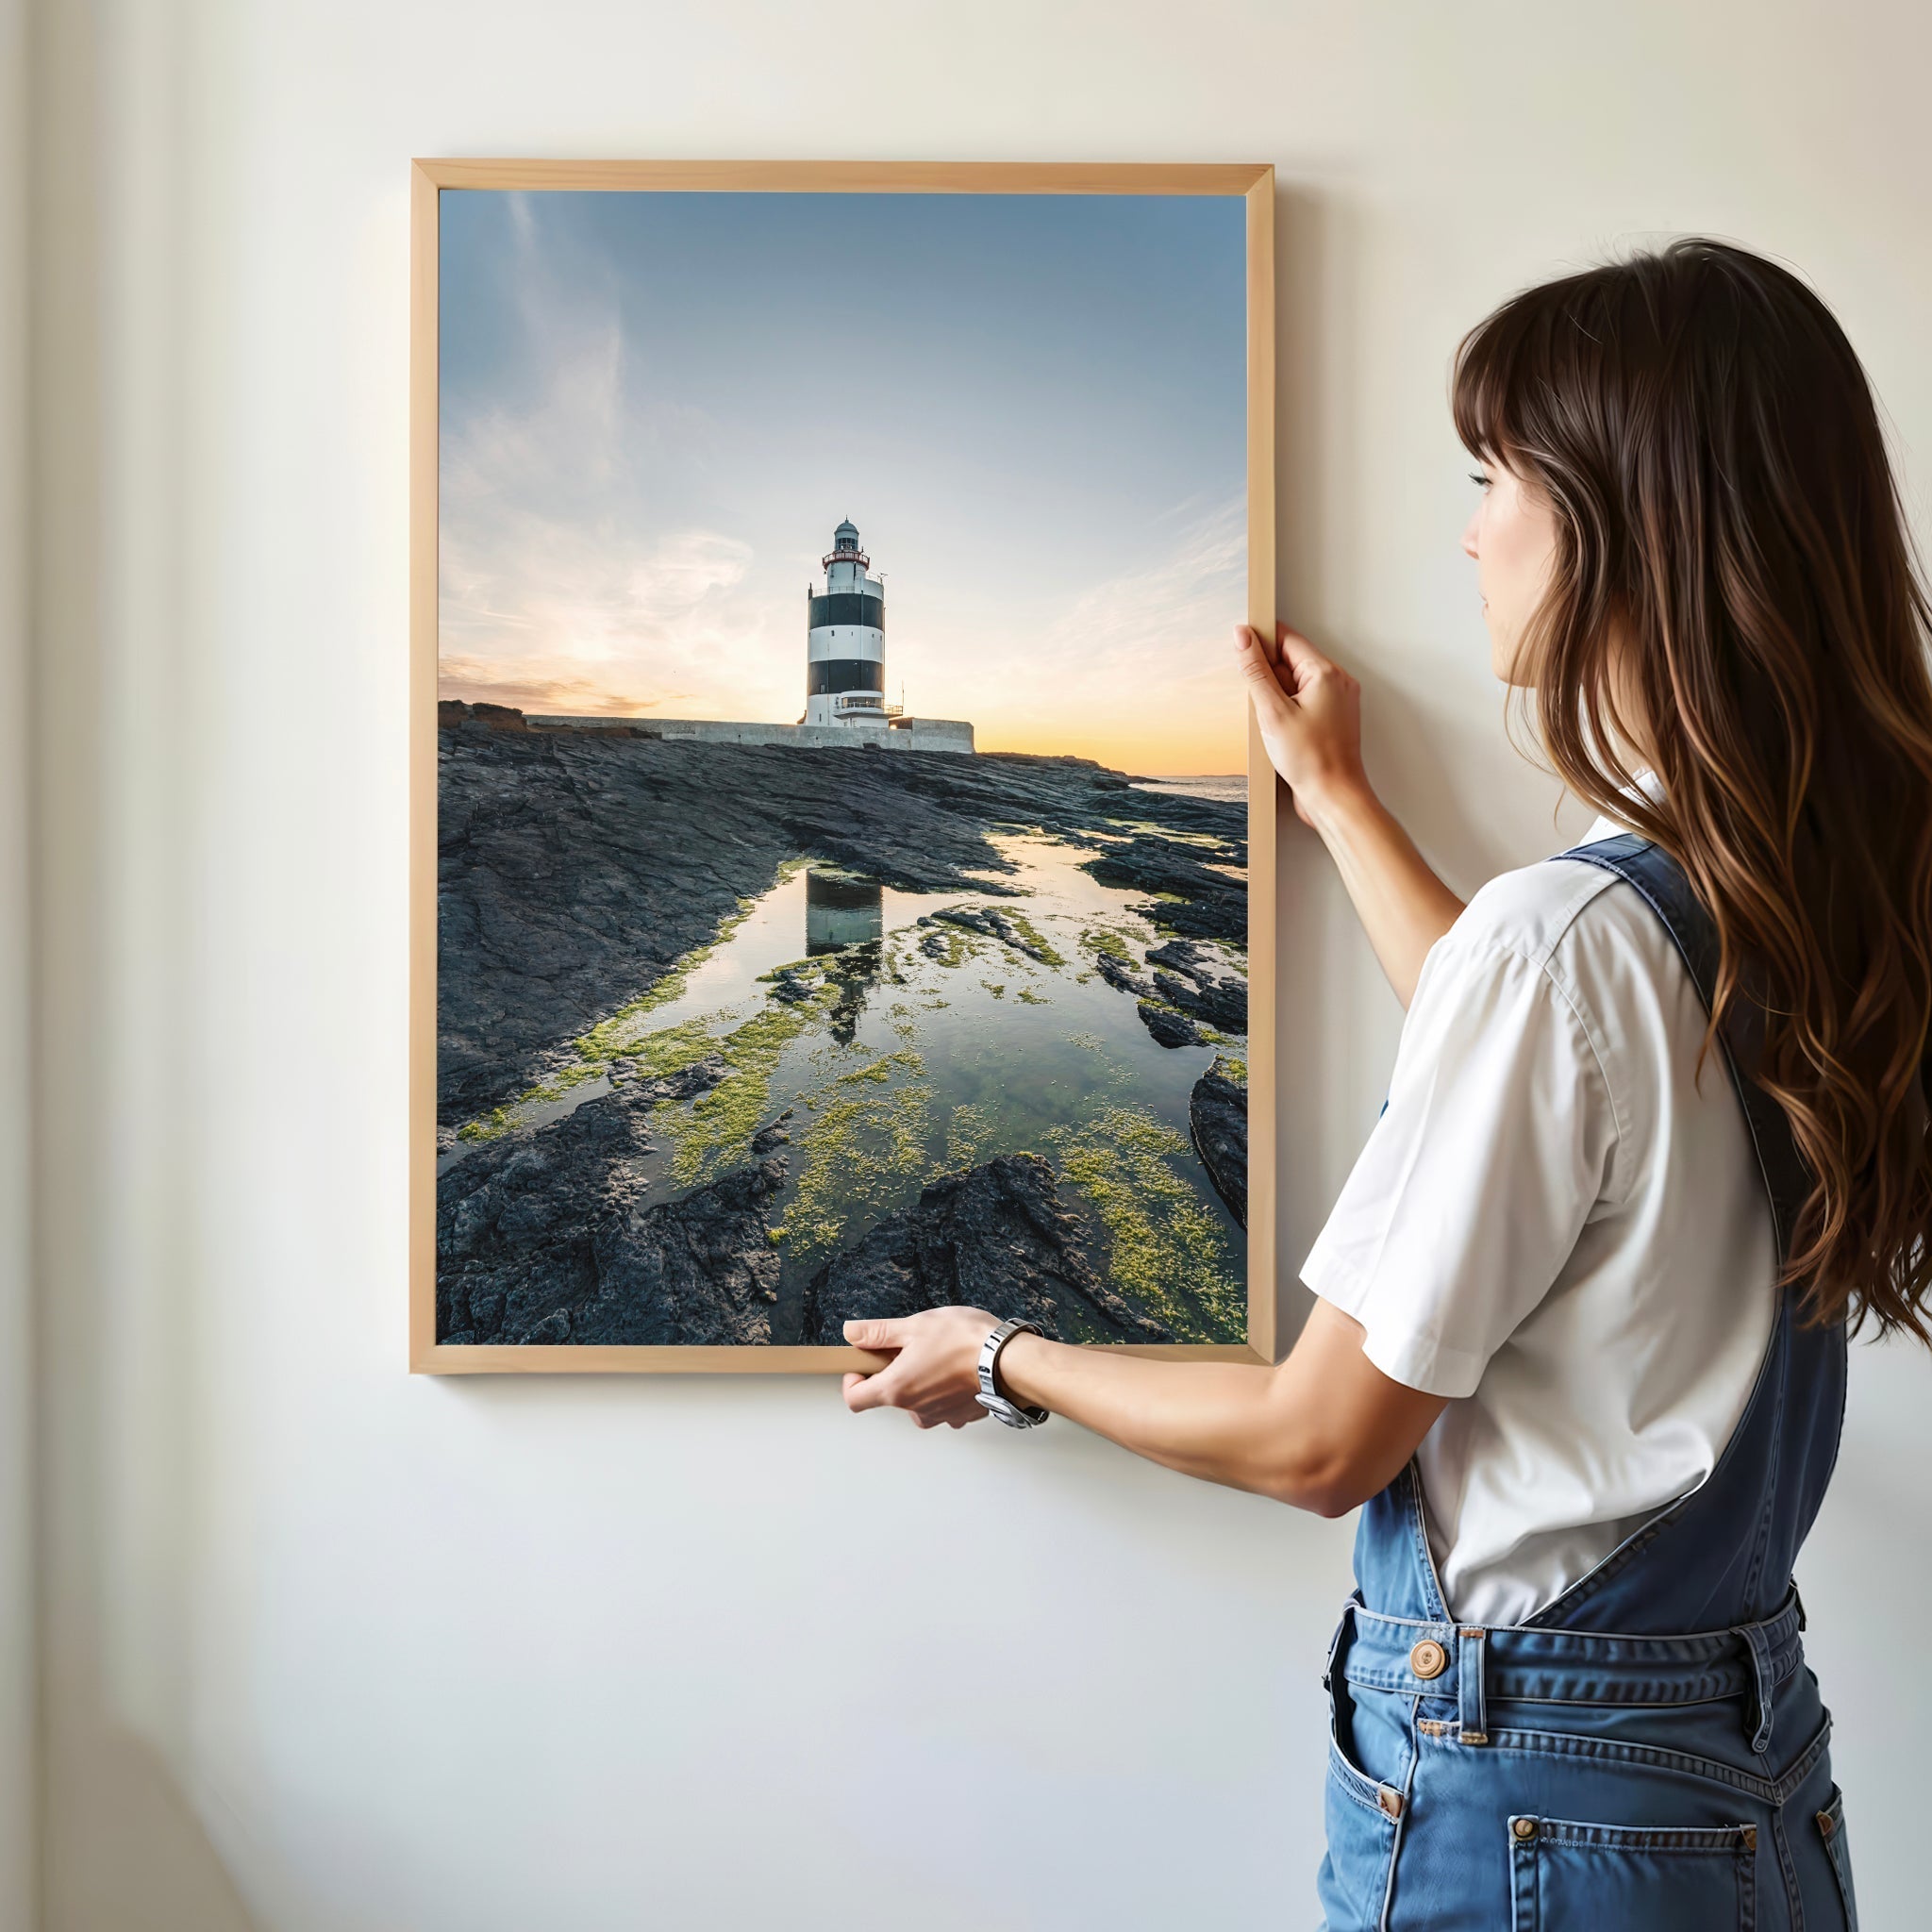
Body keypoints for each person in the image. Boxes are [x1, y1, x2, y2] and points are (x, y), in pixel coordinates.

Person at [839, 238, 1932, 1930]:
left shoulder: (1572, 939)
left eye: (1497, 476)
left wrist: (999, 1354)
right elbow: (1556, 1091)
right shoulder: (1792, 895)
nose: (1472, 526)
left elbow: (1318, 1438)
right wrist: (1340, 801)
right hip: (1740, 1776)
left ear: (1626, 523)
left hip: (1536, 1805)